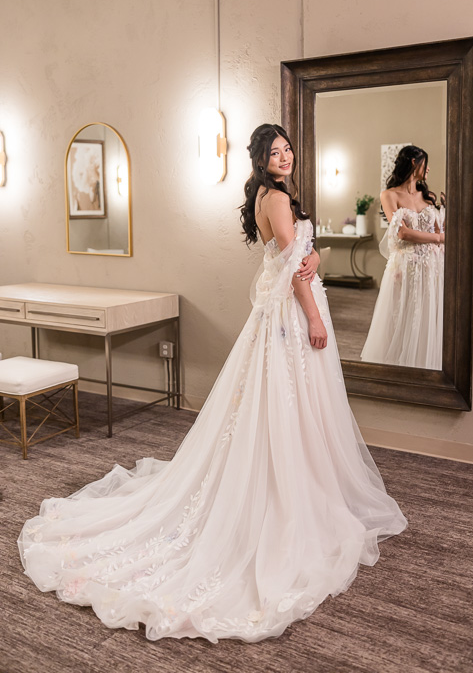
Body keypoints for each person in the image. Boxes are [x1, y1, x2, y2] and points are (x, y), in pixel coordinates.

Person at [18, 124, 408, 644]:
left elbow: (297, 258)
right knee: (285, 407)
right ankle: (283, 499)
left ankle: (300, 483)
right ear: (260, 159)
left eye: (288, 148)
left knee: (291, 409)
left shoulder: (273, 196)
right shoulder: (276, 199)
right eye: (275, 151)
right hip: (293, 315)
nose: (285, 155)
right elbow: (294, 267)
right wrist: (314, 316)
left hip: (286, 311)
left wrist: (314, 261)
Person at [361, 145, 444, 369]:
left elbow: (439, 229)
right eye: (425, 163)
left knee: (425, 313)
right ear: (414, 163)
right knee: (401, 314)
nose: (429, 169)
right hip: (404, 265)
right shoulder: (389, 195)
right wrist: (437, 239)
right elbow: (402, 233)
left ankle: (424, 365)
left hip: (430, 265)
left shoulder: (429, 197)